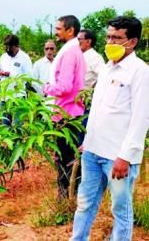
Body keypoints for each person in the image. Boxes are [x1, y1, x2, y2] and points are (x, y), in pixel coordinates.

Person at [70, 17, 149, 241]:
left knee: (120, 210)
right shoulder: (106, 68)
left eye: (116, 37)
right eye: (108, 36)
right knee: (84, 204)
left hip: (117, 157)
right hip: (93, 152)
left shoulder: (140, 72)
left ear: (132, 42)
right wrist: (88, 140)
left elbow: (141, 118)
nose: (109, 42)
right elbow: (98, 110)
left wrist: (125, 156)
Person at [43, 15, 86, 199]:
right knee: (67, 157)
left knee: (64, 158)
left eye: (59, 29)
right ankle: (70, 195)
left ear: (70, 30)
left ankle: (66, 198)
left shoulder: (69, 53)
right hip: (71, 111)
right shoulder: (75, 50)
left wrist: (47, 88)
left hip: (65, 114)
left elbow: (65, 87)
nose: (56, 32)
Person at [0, 34, 32, 125]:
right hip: (4, 96)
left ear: (17, 46)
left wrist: (10, 74)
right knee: (5, 125)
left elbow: (29, 77)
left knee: (18, 125)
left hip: (18, 97)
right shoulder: (3, 57)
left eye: (10, 47)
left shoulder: (25, 58)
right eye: (6, 47)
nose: (8, 50)